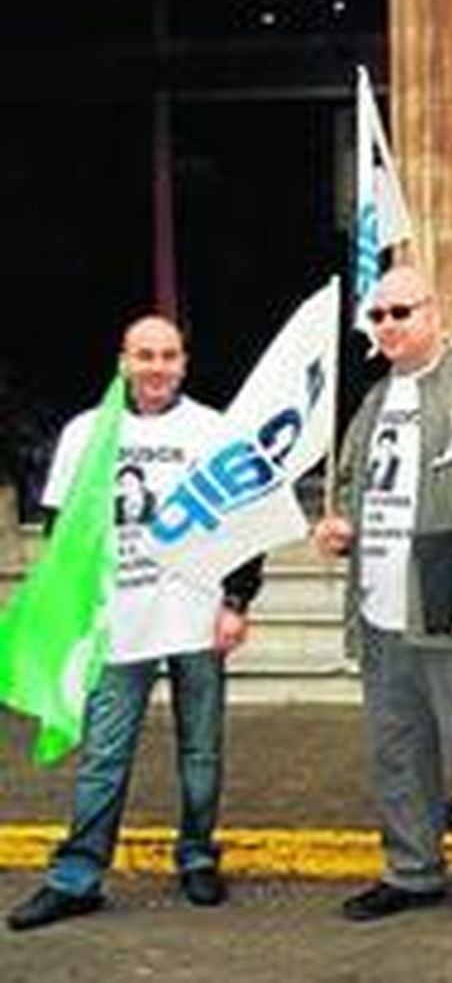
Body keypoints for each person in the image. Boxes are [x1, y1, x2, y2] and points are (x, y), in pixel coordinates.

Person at [8, 316, 262, 932]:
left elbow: (246, 523)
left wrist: (237, 601)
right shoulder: (88, 433)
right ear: (123, 360)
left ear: (184, 362)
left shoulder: (213, 430)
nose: (156, 367)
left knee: (202, 751)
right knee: (103, 754)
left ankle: (198, 855)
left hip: (197, 617)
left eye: (168, 355)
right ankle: (77, 876)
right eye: (144, 355)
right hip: (117, 623)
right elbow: (61, 534)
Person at [312, 266, 452, 936]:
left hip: (449, 602)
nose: (387, 326)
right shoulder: (375, 400)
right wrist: (340, 524)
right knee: (397, 748)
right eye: (377, 316)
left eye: (400, 312)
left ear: (435, 314)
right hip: (382, 608)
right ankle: (412, 870)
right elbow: (356, 482)